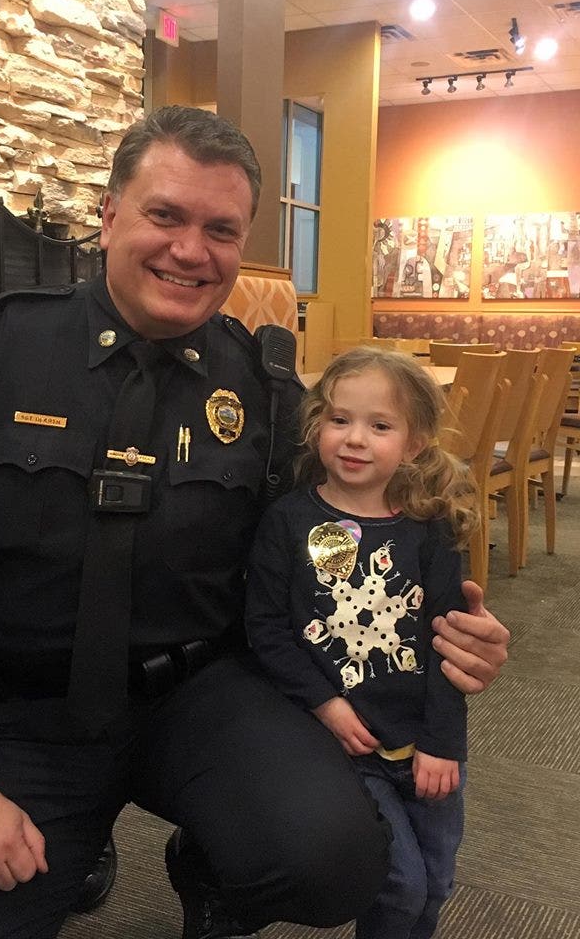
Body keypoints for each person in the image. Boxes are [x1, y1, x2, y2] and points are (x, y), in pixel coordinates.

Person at [0, 106, 509, 939]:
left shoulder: (265, 386)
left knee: (336, 861)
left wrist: (447, 632)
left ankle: (208, 866)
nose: (191, 250)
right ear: (108, 216)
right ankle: (75, 851)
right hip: (27, 709)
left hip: (205, 695)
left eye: (221, 229)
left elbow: (343, 547)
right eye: (164, 214)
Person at [245, 347, 482, 938]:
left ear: (416, 442)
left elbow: (449, 647)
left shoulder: (432, 530)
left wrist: (443, 741)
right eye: (339, 420)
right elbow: (267, 629)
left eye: (380, 426)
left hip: (426, 743)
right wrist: (325, 705)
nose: (354, 439)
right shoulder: (287, 521)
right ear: (316, 423)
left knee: (435, 884)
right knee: (398, 886)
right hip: (349, 745)